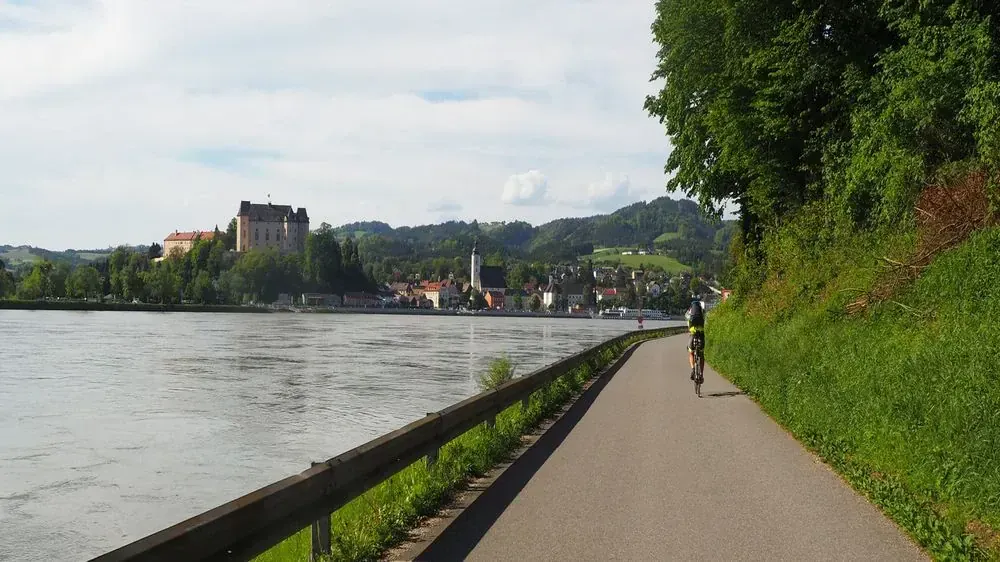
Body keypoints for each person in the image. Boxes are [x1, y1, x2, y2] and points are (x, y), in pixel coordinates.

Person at [685, 298, 706, 381]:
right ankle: (701, 374)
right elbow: (706, 321)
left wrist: (690, 328)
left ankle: (693, 369)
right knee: (701, 355)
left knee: (691, 352)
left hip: (693, 333)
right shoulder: (702, 312)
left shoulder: (689, 312)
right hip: (701, 334)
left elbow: (687, 322)